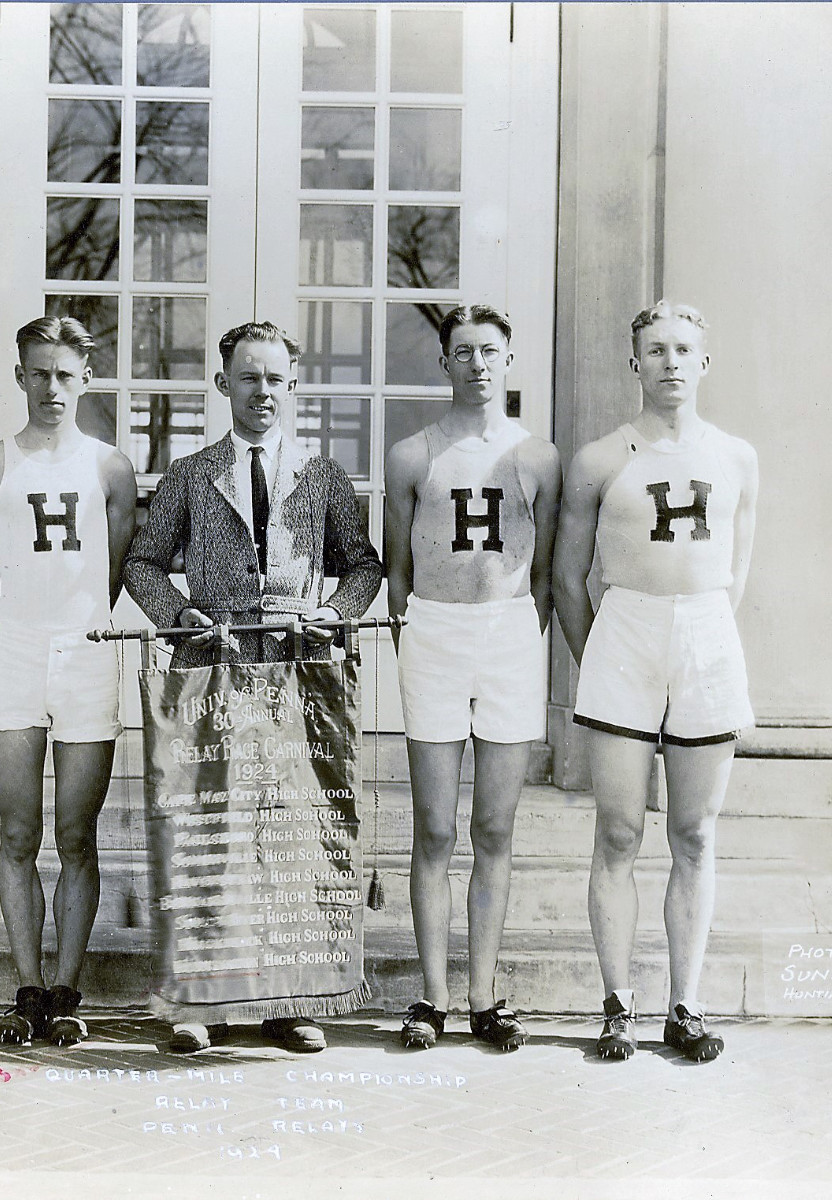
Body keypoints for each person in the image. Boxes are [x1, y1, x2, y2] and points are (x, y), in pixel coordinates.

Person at [125, 319, 383, 1053]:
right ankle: (201, 1007)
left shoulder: (323, 475)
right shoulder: (189, 472)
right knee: (210, 830)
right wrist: (178, 615)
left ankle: (286, 1001)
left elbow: (362, 564)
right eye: (248, 377)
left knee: (290, 834)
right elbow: (142, 562)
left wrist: (332, 614)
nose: (261, 391)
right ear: (222, 385)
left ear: (290, 386)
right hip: (211, 664)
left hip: (297, 667)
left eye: (274, 378)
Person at [553, 301, 758, 1062]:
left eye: (683, 350)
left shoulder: (737, 457)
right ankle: (617, 1005)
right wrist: (598, 655)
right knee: (616, 830)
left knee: (694, 833)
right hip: (625, 633)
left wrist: (699, 634)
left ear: (704, 362)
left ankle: (685, 1004)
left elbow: (734, 572)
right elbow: (569, 578)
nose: (670, 362)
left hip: (704, 633)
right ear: (632, 362)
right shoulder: (602, 458)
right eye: (654, 350)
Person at [383, 304, 560, 1052]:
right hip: (435, 631)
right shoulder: (412, 454)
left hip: (509, 631)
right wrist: (420, 629)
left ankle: (484, 994)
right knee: (432, 826)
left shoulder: (537, 456)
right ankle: (430, 997)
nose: (477, 364)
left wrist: (516, 632)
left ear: (507, 360)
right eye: (463, 352)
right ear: (444, 363)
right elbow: (395, 568)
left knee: (493, 825)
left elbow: (546, 571)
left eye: (491, 350)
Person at [0, 316, 138, 1047]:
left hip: (87, 649)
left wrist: (77, 626)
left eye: (65, 374)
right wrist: (20, 626)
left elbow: (115, 566)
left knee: (75, 832)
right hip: (16, 649)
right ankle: (27, 986)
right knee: (16, 830)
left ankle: (67, 989)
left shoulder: (109, 466)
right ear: (20, 376)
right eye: (39, 373)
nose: (52, 388)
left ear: (86, 378)